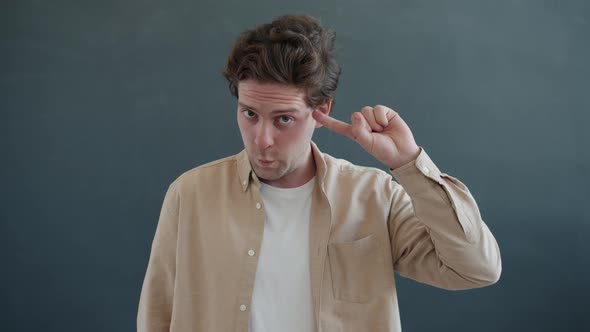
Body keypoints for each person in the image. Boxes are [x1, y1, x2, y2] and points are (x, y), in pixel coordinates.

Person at [137, 14, 501, 332]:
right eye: (249, 114)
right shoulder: (191, 193)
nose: (262, 139)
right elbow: (158, 316)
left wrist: (408, 163)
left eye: (284, 119)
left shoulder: (375, 196)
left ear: (321, 110)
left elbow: (476, 268)